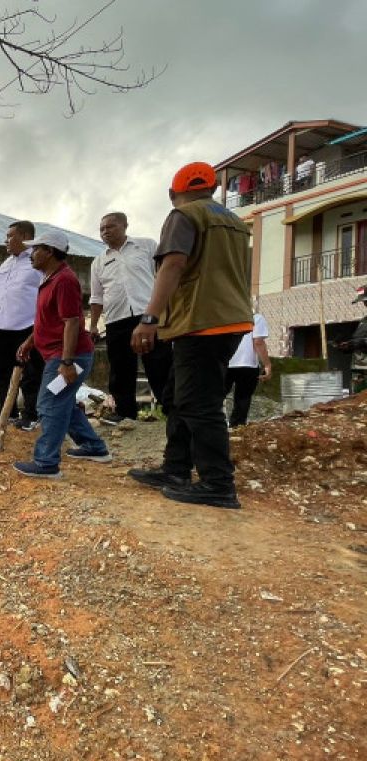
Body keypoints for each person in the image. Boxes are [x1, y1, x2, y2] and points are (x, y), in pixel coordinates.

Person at [129, 161, 254, 509]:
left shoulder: (184, 216)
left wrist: (149, 318)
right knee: (180, 395)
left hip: (201, 321)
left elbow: (173, 264)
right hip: (229, 319)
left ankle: (218, 484)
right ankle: (175, 468)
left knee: (200, 404)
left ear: (173, 194)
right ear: (212, 189)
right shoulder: (236, 223)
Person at [12, 231, 110, 478]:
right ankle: (94, 447)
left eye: (36, 249)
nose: (31, 254)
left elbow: (72, 323)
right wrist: (30, 341)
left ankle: (46, 463)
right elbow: (47, 320)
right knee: (62, 402)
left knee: (48, 403)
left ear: (50, 251)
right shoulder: (49, 280)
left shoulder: (64, 280)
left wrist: (66, 362)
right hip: (59, 356)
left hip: (70, 358)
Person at [88, 212, 172, 424]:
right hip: (116, 320)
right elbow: (97, 297)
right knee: (120, 369)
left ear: (125, 225)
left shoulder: (146, 246)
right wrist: (93, 326)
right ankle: (125, 413)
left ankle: (173, 412)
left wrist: (164, 314)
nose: (105, 231)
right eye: (102, 229)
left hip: (148, 317)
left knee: (159, 364)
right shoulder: (99, 261)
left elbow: (163, 277)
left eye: (111, 226)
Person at [0, 221, 45, 431]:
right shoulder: (6, 264)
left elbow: (44, 294)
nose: (6, 240)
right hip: (2, 326)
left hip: (27, 324)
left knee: (31, 372)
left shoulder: (37, 261)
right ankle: (9, 413)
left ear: (24, 236)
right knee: (2, 372)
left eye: (10, 236)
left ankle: (31, 415)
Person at [225, 310, 271, 427]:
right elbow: (258, 342)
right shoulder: (256, 318)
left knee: (216, 397)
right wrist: (267, 365)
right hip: (247, 365)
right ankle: (236, 428)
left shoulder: (224, 316)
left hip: (225, 362)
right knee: (243, 399)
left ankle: (213, 428)